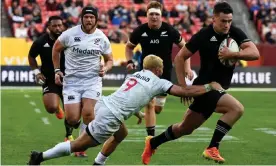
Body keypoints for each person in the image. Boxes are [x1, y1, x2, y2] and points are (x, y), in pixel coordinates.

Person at [27, 54, 224, 165]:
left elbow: (131, 95)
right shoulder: (158, 81)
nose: (162, 70)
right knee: (79, 145)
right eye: (161, 67)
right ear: (157, 69)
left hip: (105, 103)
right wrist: (208, 87)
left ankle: (99, 163)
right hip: (111, 114)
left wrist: (137, 113)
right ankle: (40, 157)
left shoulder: (135, 75)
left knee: (122, 133)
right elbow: (182, 91)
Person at [141, 2, 260, 164]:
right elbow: (180, 57)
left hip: (218, 89)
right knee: (236, 108)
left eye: (229, 21)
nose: (227, 25)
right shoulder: (204, 35)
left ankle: (153, 142)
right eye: (223, 21)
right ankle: (212, 148)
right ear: (214, 19)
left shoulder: (235, 33)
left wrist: (234, 54)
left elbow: (255, 53)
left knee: (184, 128)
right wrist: (183, 87)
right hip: (205, 88)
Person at [125, 1, 194, 137]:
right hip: (146, 73)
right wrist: (130, 60)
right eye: (151, 14)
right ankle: (150, 138)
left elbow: (186, 48)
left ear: (161, 16)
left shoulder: (169, 30)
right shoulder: (140, 31)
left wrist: (188, 68)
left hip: (165, 72)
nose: (154, 17)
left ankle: (148, 113)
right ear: (147, 15)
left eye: (157, 14)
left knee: (157, 109)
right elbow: (129, 47)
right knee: (149, 104)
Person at [52, 6, 113, 157]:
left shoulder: (102, 38)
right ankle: (76, 131)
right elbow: (56, 49)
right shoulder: (70, 34)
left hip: (92, 81)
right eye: (86, 17)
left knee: (88, 114)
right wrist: (57, 70)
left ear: (96, 20)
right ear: (82, 18)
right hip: (72, 81)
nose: (89, 20)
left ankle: (81, 147)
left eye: (92, 17)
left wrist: (105, 68)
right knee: (72, 118)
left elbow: (110, 59)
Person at [28, 16, 75, 141]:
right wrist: (37, 72)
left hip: (68, 79)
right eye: (54, 26)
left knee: (71, 114)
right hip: (50, 79)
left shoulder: (70, 40)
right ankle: (56, 107)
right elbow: (31, 56)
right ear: (48, 27)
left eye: (60, 25)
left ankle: (68, 135)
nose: (57, 28)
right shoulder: (40, 42)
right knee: (51, 108)